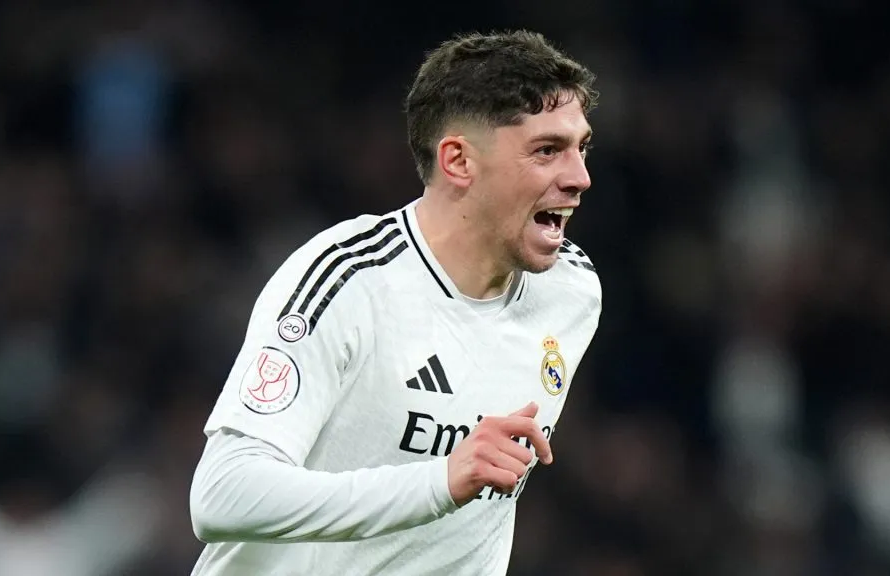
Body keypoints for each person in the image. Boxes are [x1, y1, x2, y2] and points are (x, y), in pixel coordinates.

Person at [189, 29, 602, 576]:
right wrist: (439, 480)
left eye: (581, 147)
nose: (580, 178)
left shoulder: (572, 291)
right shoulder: (349, 280)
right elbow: (223, 494)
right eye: (547, 150)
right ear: (457, 160)